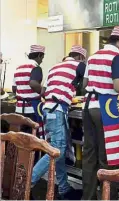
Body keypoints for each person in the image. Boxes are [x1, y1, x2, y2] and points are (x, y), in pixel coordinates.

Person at [82, 26, 119, 200]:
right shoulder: (116, 56)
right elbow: (118, 86)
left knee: (90, 154)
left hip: (88, 105)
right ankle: (109, 197)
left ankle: (89, 197)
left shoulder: (93, 57)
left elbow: (84, 85)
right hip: (105, 107)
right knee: (107, 156)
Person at [31, 45, 87, 200]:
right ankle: (27, 182)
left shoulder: (55, 67)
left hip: (48, 109)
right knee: (56, 150)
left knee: (58, 150)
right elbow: (87, 84)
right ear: (81, 57)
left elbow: (48, 89)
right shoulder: (79, 65)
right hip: (57, 109)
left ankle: (64, 189)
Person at [12, 45, 45, 139]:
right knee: (34, 138)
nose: (42, 60)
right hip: (32, 109)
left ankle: (23, 154)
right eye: (42, 57)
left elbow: (14, 88)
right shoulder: (36, 67)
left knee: (22, 138)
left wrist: (22, 93)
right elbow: (33, 84)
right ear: (39, 55)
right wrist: (44, 93)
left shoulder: (18, 68)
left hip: (19, 109)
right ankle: (34, 154)